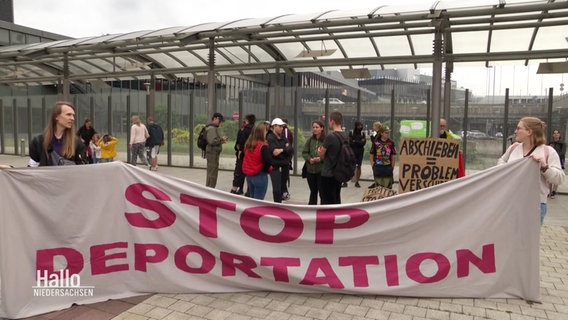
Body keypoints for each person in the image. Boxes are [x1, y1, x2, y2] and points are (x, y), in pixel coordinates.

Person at [497, 117, 565, 225]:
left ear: (529, 132)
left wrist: (544, 167)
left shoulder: (548, 151)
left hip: (535, 205)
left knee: (527, 240)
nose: (515, 131)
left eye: (519, 128)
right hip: (510, 202)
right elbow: (501, 161)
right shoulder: (514, 148)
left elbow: (559, 178)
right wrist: (506, 170)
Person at [29, 101, 87, 167]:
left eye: (73, 115)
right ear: (56, 117)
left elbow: (81, 168)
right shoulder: (38, 141)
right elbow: (32, 167)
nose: (72, 118)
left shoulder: (77, 143)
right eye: (68, 114)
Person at [317, 111, 347, 204]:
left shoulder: (331, 136)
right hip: (339, 173)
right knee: (336, 198)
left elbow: (321, 154)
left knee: (326, 200)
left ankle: (327, 218)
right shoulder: (346, 136)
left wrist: (319, 151)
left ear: (332, 121)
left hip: (328, 173)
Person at [241, 124, 275, 200]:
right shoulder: (263, 146)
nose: (266, 133)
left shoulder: (248, 144)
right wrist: (264, 169)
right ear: (261, 133)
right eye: (265, 131)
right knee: (259, 200)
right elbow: (269, 160)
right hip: (259, 174)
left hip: (249, 175)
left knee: (252, 199)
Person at [266, 118, 294, 203]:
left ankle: (280, 205)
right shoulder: (270, 138)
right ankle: (277, 205)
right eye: (280, 126)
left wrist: (281, 150)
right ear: (274, 126)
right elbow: (274, 152)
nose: (282, 128)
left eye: (282, 126)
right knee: (277, 189)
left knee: (282, 188)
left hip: (284, 166)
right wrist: (285, 148)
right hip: (275, 167)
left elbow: (291, 150)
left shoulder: (283, 137)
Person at [302, 120, 325, 205]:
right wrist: (309, 159)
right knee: (313, 192)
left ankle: (323, 212)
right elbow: (304, 152)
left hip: (321, 171)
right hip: (310, 171)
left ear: (322, 128)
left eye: (317, 127)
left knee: (322, 193)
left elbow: (329, 155)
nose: (315, 129)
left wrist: (321, 159)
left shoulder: (326, 140)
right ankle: (311, 211)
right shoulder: (310, 140)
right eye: (313, 127)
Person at [231, 114, 255, 194]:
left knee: (239, 170)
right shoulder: (255, 129)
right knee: (249, 171)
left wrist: (239, 150)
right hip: (252, 154)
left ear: (247, 120)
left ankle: (235, 188)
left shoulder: (244, 129)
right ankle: (249, 190)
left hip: (243, 153)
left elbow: (241, 141)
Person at [369, 124, 396, 189]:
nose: (387, 134)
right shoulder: (376, 142)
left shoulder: (391, 143)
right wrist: (373, 165)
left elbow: (393, 155)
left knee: (388, 188)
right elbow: (371, 154)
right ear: (381, 133)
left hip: (387, 167)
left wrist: (392, 166)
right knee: (378, 188)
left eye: (388, 133)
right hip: (378, 167)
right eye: (386, 133)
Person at [205, 112, 228, 188]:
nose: (220, 122)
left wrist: (221, 140)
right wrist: (221, 140)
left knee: (212, 172)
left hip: (213, 153)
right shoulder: (211, 128)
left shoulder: (213, 128)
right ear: (214, 119)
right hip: (212, 154)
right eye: (219, 120)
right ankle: (210, 189)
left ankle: (209, 189)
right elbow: (212, 141)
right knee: (212, 173)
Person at [548, 129, 566, 199]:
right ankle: (549, 191)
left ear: (559, 135)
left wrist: (554, 152)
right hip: (551, 160)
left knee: (556, 175)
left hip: (559, 161)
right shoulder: (550, 143)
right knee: (550, 175)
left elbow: (563, 152)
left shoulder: (562, 144)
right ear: (553, 135)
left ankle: (554, 191)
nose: (556, 135)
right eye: (554, 133)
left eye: (557, 133)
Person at [349, 121, 366, 188]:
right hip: (352, 152)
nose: (360, 127)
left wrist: (355, 141)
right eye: (359, 126)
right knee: (350, 166)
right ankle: (345, 181)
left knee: (359, 166)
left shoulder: (363, 133)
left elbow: (363, 143)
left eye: (361, 126)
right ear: (356, 126)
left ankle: (357, 182)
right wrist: (359, 141)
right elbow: (350, 142)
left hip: (360, 152)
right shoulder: (351, 132)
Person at [281, 118, 294, 200]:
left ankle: (285, 192)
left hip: (285, 157)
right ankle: (284, 192)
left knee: (284, 176)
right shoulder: (286, 130)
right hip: (285, 157)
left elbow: (287, 144)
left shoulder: (285, 131)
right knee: (283, 176)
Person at [367, 121, 382, 189]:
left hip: (377, 153)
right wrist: (372, 136)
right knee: (375, 167)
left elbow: (376, 143)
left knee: (376, 167)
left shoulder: (379, 134)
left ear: (377, 127)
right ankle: (376, 181)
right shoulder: (377, 134)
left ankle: (378, 182)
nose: (373, 128)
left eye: (374, 126)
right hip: (375, 152)